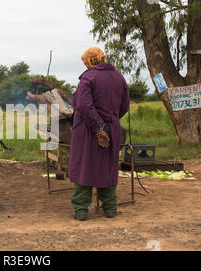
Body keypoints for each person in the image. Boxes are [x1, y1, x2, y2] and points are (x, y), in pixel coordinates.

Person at [69, 47, 129, 221]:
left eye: (85, 62)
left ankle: (81, 210)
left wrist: (98, 129)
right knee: (107, 167)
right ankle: (110, 208)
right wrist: (109, 122)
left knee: (84, 167)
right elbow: (124, 105)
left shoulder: (88, 77)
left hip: (88, 130)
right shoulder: (119, 77)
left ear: (89, 61)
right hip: (112, 128)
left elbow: (84, 106)